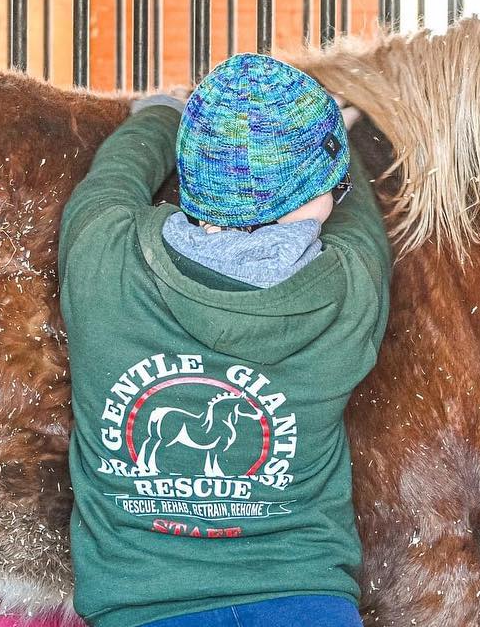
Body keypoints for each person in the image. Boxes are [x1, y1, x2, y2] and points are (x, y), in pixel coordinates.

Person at [58, 53, 392, 627]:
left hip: (141, 606)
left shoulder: (101, 255)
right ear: (316, 196)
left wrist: (161, 114)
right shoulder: (349, 292)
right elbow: (363, 228)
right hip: (306, 598)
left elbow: (113, 178)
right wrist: (346, 149)